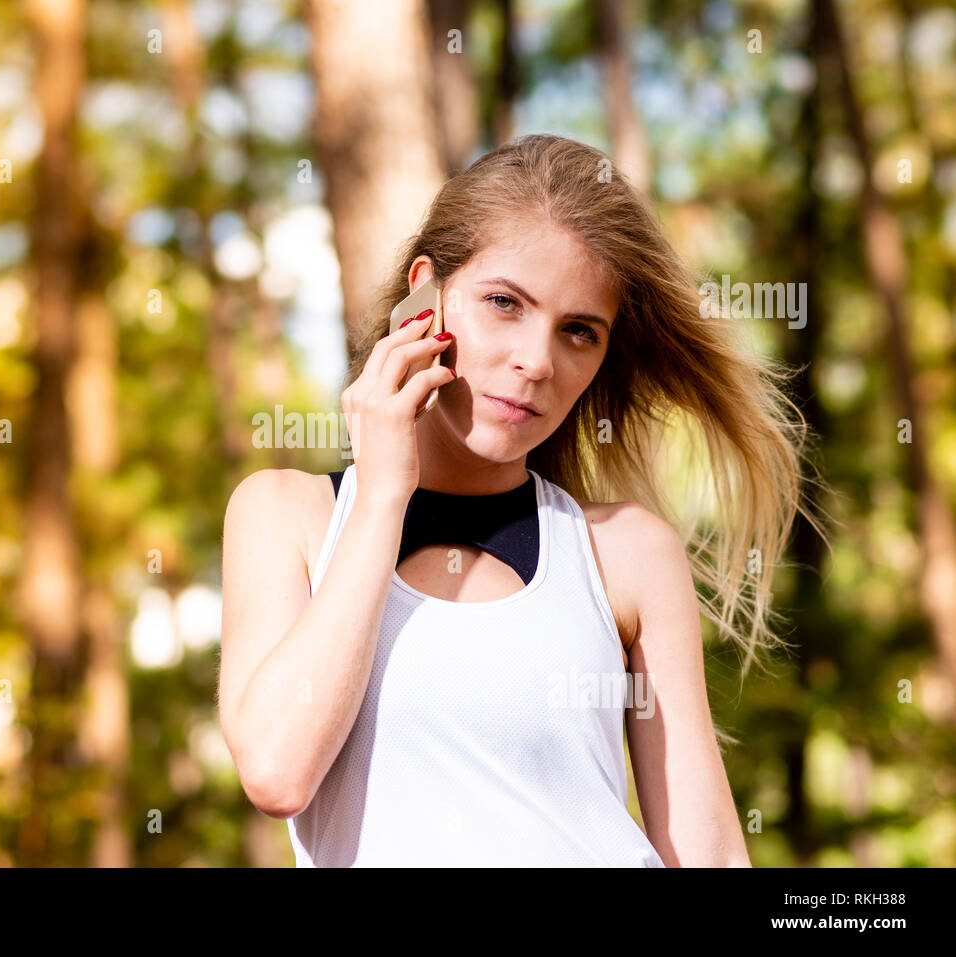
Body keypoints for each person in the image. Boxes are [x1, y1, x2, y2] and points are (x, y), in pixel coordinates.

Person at [217, 133, 828, 867]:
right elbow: (277, 771)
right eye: (505, 303)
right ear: (424, 296)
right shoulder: (286, 516)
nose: (537, 361)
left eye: (578, 331)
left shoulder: (627, 553)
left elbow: (710, 854)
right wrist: (383, 492)